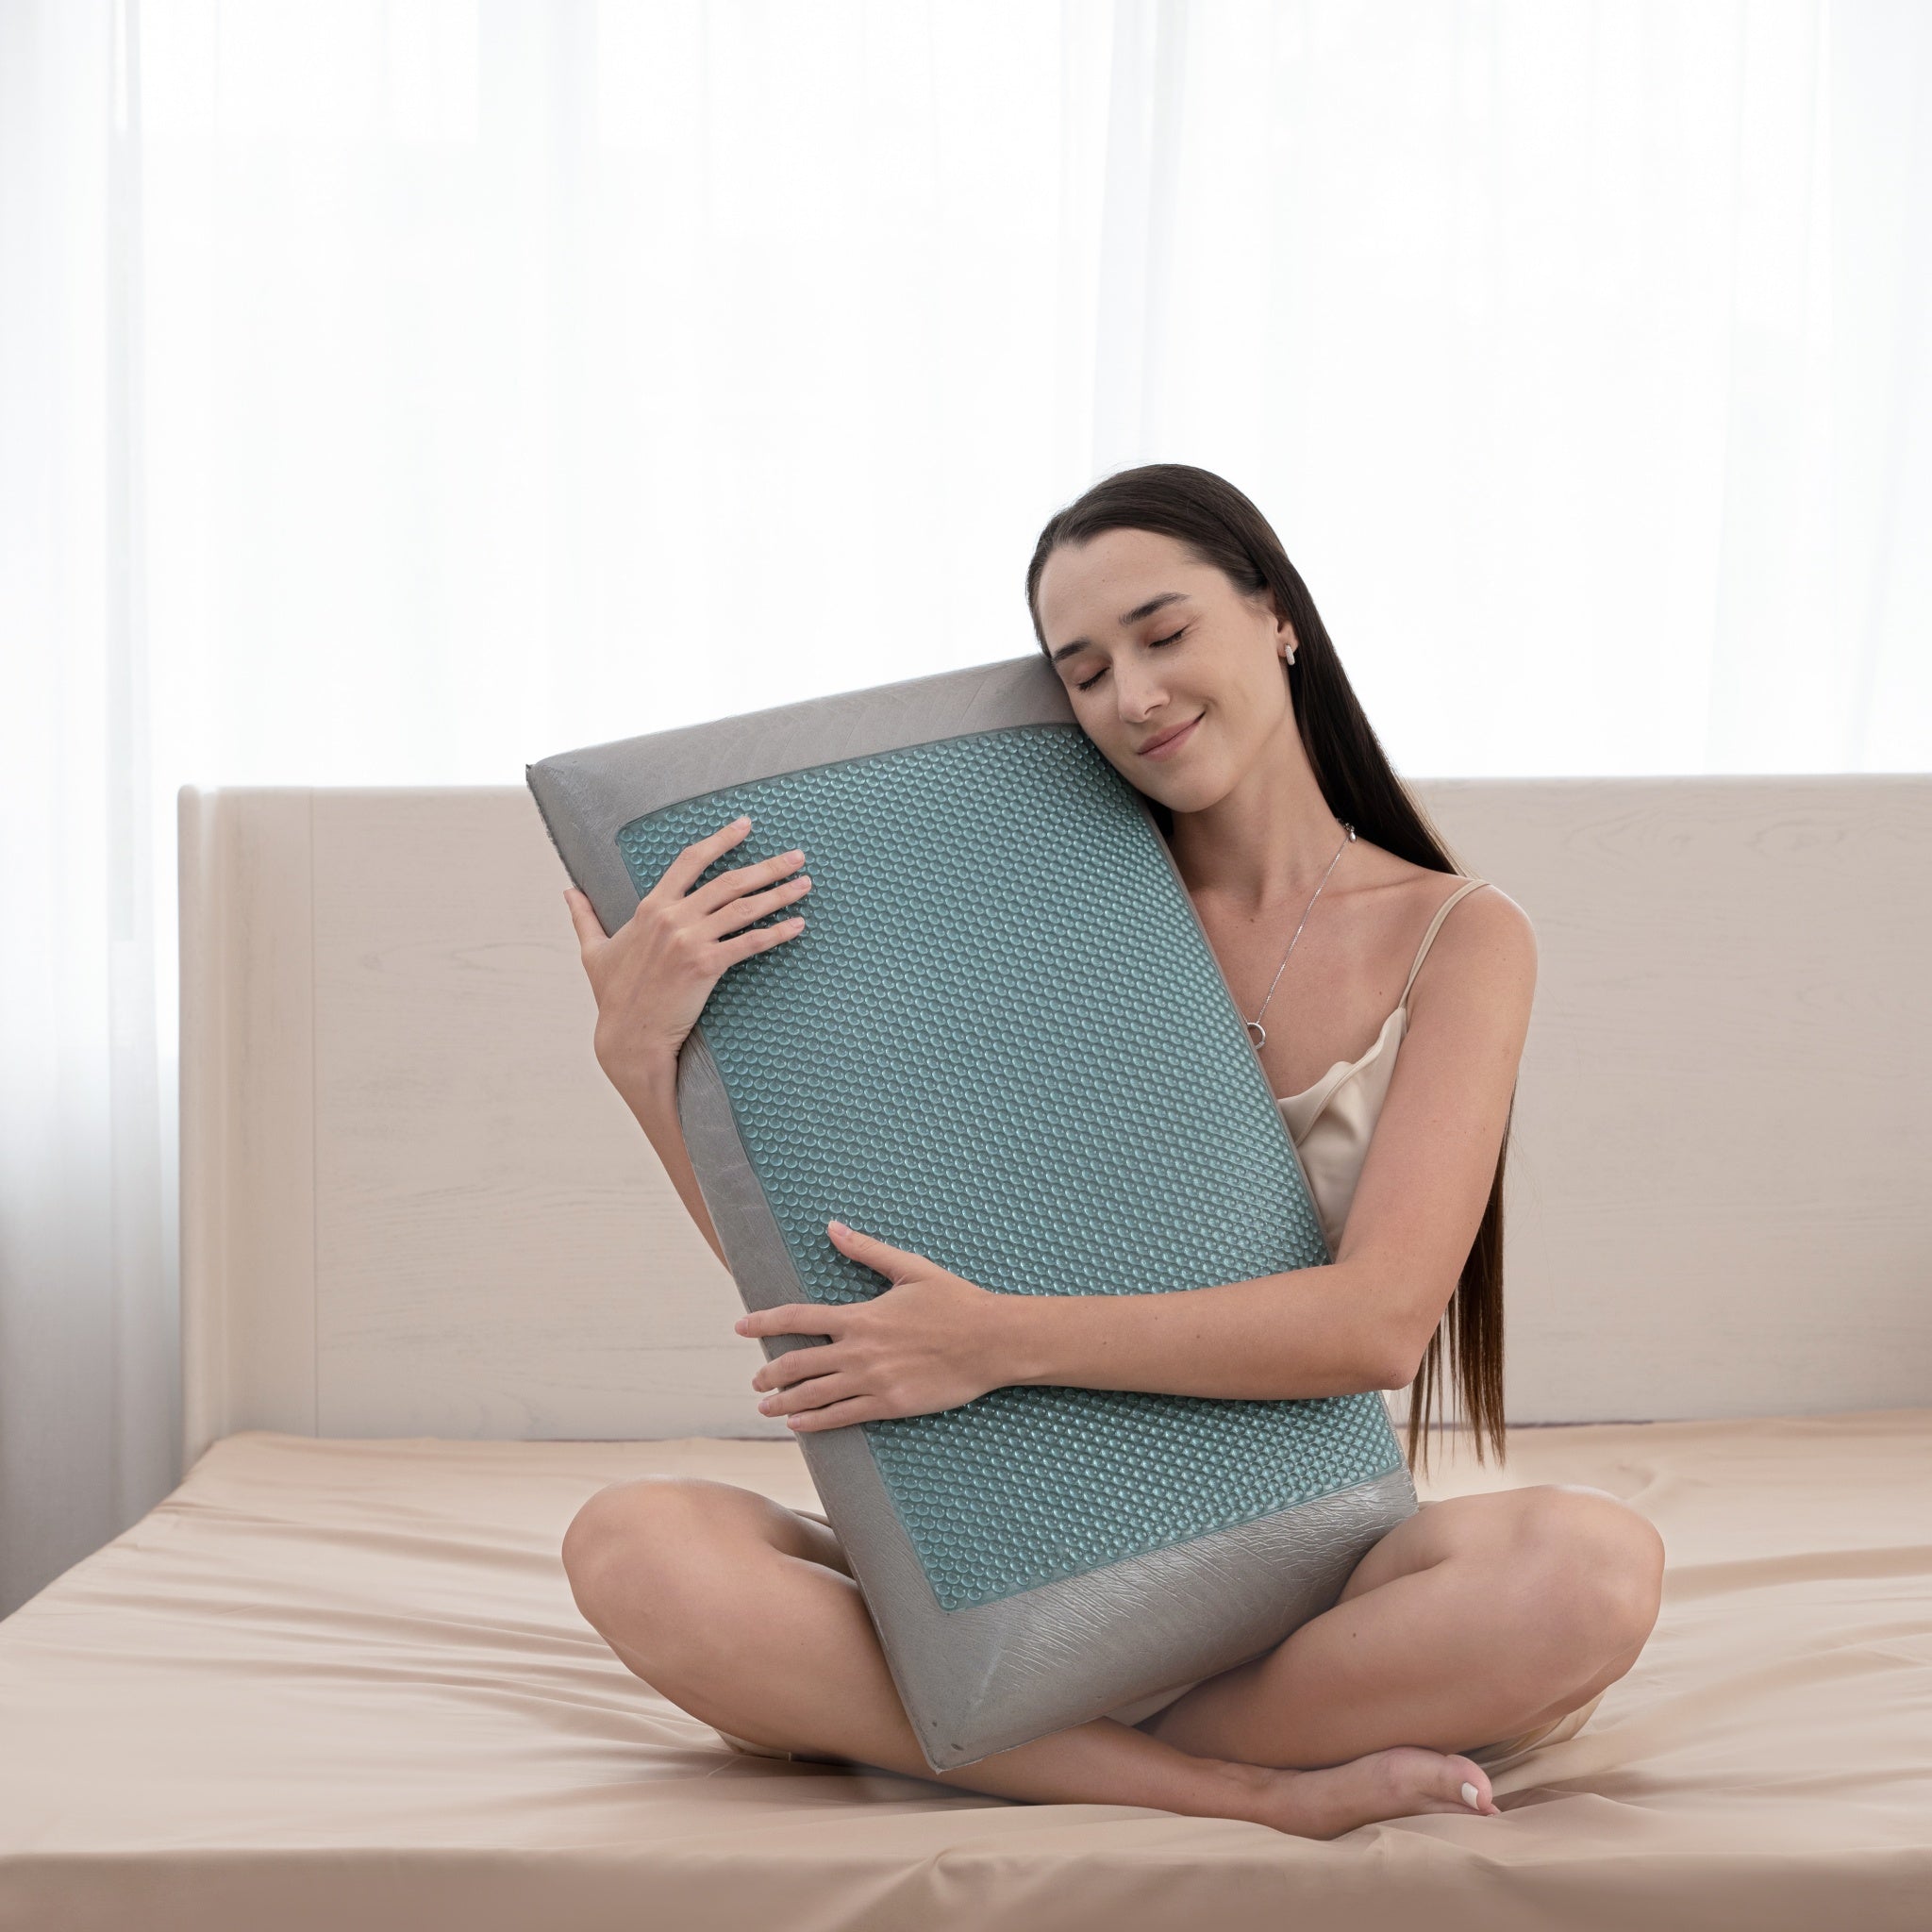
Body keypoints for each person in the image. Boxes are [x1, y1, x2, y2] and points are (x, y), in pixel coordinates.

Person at [556, 463, 1666, 1840]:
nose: (1131, 696)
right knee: (636, 1548)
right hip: (1004, 1552)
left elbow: (1380, 1324)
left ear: (1278, 617)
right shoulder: (1028, 912)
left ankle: (1008, 1741)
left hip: (1300, 1577)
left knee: (1589, 1574)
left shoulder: (1459, 936)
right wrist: (641, 1059)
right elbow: (818, 1273)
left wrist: (998, 1342)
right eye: (1082, 673)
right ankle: (1239, 1790)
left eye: (1163, 632)